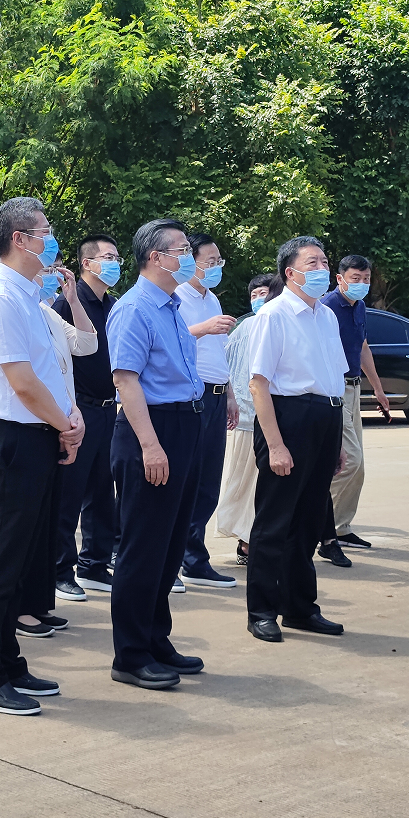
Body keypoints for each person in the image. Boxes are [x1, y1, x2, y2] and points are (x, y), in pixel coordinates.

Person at [0, 196, 83, 716]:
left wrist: (68, 417)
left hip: (37, 435)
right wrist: (66, 424)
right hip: (10, 439)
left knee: (20, 561)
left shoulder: (27, 295)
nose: (51, 240)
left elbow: (48, 371)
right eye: (45, 232)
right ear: (20, 239)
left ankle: (9, 662)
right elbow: (22, 382)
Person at [106, 218, 206, 690]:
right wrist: (150, 445)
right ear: (155, 257)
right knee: (143, 546)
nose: (188, 258)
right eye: (181, 250)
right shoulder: (133, 308)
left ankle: (154, 638)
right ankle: (130, 655)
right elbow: (126, 380)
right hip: (152, 429)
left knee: (168, 545)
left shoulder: (172, 306)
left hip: (184, 424)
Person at [245, 237, 347, 643]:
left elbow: (333, 378)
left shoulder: (327, 316)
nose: (323, 269)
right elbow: (258, 384)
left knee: (308, 521)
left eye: (325, 261)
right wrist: (275, 445)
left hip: (325, 417)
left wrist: (337, 441)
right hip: (288, 419)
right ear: (290, 273)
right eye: (313, 263)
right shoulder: (273, 315)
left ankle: (301, 608)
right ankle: (261, 611)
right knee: (274, 522)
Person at [17, 264, 98, 636]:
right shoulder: (11, 306)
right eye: (44, 269)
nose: (49, 275)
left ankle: (38, 604)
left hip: (60, 421)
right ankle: (20, 610)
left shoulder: (47, 312)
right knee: (25, 526)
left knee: (47, 522)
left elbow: (87, 344)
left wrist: (73, 300)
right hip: (32, 424)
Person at [51, 233, 120, 601]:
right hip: (79, 408)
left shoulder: (114, 304)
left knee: (102, 492)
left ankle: (94, 564)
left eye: (117, 257)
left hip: (109, 408)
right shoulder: (67, 302)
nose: (115, 263)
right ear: (86, 264)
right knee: (70, 493)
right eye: (107, 257)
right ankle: (60, 570)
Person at [174, 232, 239, 590]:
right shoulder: (176, 295)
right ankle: (176, 559)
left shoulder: (211, 298)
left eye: (219, 262)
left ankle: (194, 559)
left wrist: (229, 393)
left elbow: (219, 351)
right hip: (191, 396)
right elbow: (171, 340)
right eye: (209, 262)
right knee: (186, 480)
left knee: (208, 483)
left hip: (216, 394)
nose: (215, 268)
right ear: (191, 261)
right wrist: (204, 328)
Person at [317, 254, 392, 567]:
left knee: (358, 468)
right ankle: (320, 527)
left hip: (354, 388)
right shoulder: (325, 308)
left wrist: (378, 389)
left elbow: (362, 348)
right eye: (355, 278)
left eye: (366, 279)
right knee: (348, 463)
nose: (362, 284)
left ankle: (340, 527)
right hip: (333, 391)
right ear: (340, 279)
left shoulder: (359, 307)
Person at [216, 274, 273, 565]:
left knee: (265, 485)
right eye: (254, 295)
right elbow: (223, 364)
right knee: (244, 483)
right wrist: (232, 401)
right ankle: (246, 542)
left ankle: (259, 540)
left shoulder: (279, 324)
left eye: (264, 293)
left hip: (274, 419)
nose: (259, 299)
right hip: (248, 418)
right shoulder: (243, 327)